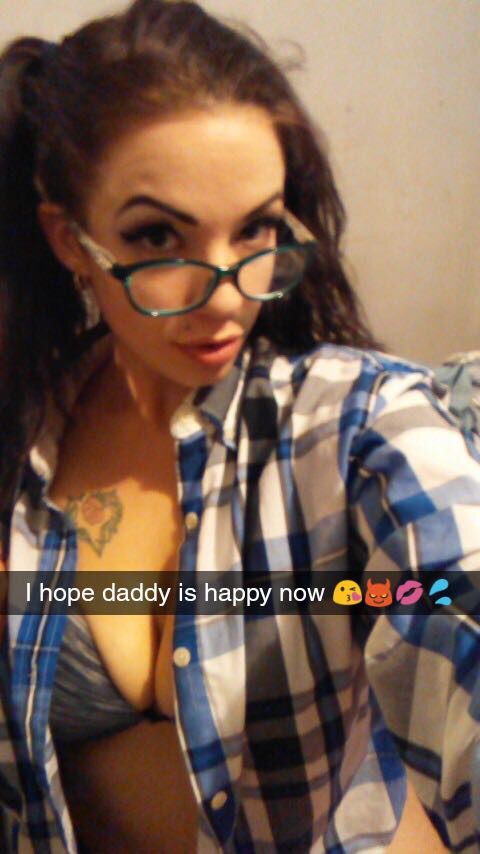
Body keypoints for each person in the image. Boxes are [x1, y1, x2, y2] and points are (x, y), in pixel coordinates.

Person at [0, 0, 478, 851]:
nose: (226, 296)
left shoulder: (355, 422)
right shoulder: (22, 433)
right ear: (70, 241)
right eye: (158, 236)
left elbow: (453, 597)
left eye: (255, 227)